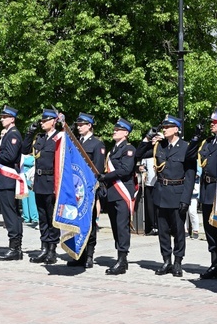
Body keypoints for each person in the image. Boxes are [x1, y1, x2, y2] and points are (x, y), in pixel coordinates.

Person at [136, 115, 196, 277]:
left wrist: (186, 199)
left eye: (168, 127)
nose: (164, 129)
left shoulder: (185, 147)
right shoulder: (159, 146)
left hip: (177, 193)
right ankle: (166, 261)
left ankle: (177, 262)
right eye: (163, 127)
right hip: (161, 193)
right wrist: (147, 138)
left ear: (176, 129)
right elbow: (138, 154)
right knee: (162, 231)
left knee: (178, 231)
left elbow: (190, 175)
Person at [188, 109, 217, 282]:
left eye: (215, 122)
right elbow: (190, 156)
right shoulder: (207, 142)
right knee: (210, 230)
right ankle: (214, 263)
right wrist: (196, 137)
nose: (211, 125)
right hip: (207, 189)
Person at [21, 108, 61, 265]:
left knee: (52, 218)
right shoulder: (40, 138)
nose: (42, 123)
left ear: (53, 122)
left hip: (52, 182)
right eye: (41, 121)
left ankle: (52, 250)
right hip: (39, 182)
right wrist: (29, 134)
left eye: (45, 121)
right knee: (42, 218)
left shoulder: (59, 138)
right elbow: (25, 150)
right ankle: (43, 247)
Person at [0, 106, 24, 261]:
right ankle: (15, 247)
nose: (2, 119)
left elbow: (8, 156)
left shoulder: (14, 134)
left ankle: (15, 248)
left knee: (10, 214)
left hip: (8, 179)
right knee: (11, 213)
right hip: (4, 179)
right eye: (1, 117)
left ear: (12, 119)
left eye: (5, 117)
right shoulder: (7, 134)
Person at [97, 118, 135, 274]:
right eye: (114, 129)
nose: (114, 131)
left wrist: (105, 176)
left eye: (117, 130)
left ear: (125, 133)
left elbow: (125, 170)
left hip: (122, 192)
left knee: (121, 227)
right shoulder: (113, 150)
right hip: (112, 193)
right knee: (115, 226)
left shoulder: (129, 149)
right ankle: (120, 258)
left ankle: (122, 259)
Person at [68, 113, 106, 268]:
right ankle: (79, 254)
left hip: (88, 190)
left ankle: (89, 255)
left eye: (82, 125)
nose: (79, 127)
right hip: (76, 189)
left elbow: (97, 169)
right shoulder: (76, 143)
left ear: (90, 125)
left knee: (88, 223)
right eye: (77, 125)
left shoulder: (97, 144)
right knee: (76, 222)